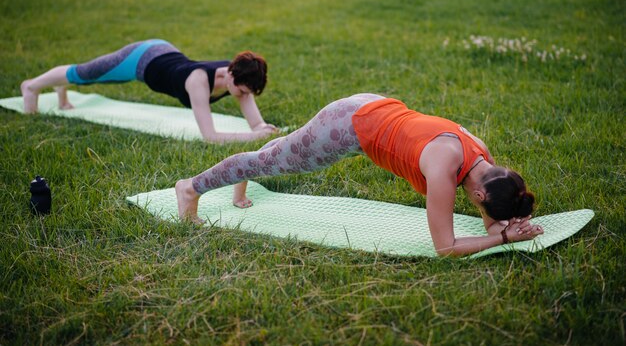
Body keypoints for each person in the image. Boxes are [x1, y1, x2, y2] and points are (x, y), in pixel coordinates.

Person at [175, 93, 544, 257]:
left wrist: (497, 224)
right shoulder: (445, 170)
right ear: (480, 195)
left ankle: (242, 179)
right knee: (273, 160)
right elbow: (445, 247)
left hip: (371, 105)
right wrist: (503, 238)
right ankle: (190, 188)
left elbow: (486, 206)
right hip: (348, 127)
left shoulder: (481, 155)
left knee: (278, 153)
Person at [20, 39, 279, 142]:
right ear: (231, 76)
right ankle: (31, 87)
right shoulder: (198, 82)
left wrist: (263, 130)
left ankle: (61, 94)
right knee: (85, 74)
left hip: (165, 53)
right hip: (141, 59)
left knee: (87, 78)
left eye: (248, 93)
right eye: (243, 91)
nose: (245, 97)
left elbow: (256, 123)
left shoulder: (238, 77)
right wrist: (254, 138)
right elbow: (210, 136)